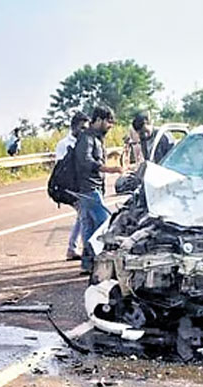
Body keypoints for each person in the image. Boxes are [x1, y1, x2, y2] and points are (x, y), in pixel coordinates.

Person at [73, 106, 123, 274]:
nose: (110, 126)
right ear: (99, 120)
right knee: (105, 225)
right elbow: (85, 161)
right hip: (89, 189)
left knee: (89, 228)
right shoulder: (87, 138)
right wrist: (109, 169)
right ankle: (106, 264)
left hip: (89, 189)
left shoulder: (95, 138)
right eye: (109, 122)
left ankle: (88, 265)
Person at [55, 111, 89, 261]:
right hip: (70, 188)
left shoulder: (83, 142)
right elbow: (62, 169)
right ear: (73, 127)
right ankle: (82, 250)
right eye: (82, 128)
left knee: (82, 216)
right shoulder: (64, 144)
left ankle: (73, 248)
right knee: (84, 215)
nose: (84, 131)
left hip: (81, 186)